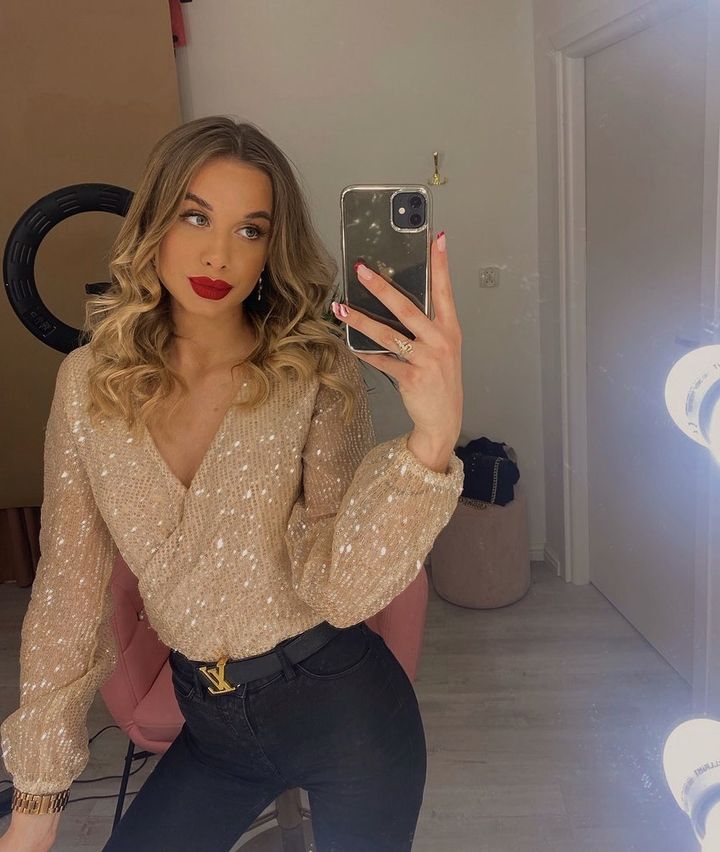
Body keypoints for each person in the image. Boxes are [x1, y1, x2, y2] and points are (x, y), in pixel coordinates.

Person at [0, 116, 464, 852]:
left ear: (271, 251)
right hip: (213, 728)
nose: (219, 253)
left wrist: (432, 441)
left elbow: (343, 588)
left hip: (346, 717)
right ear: (153, 223)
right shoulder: (89, 385)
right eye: (195, 217)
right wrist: (37, 797)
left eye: (251, 230)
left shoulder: (312, 369)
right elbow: (68, 590)